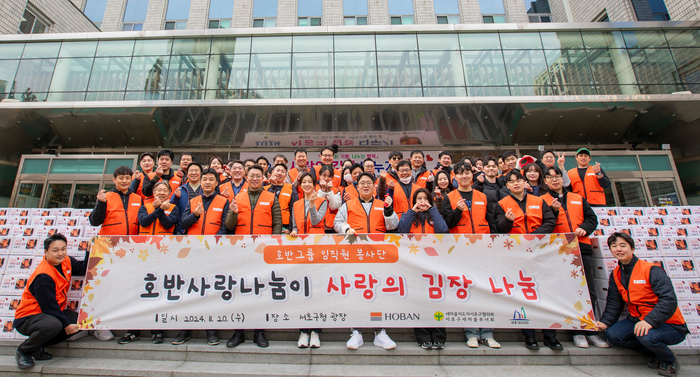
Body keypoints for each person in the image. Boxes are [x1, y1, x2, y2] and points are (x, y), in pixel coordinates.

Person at [596, 233, 688, 377]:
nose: (618, 249)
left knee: (646, 336)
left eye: (622, 245)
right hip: (636, 319)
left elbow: (669, 300)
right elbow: (615, 302)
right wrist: (605, 323)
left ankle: (669, 360)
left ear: (632, 249)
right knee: (613, 335)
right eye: (614, 246)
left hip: (669, 324)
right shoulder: (616, 274)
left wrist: (649, 321)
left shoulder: (652, 270)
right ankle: (655, 353)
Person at [541, 166, 608, 349]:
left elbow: (592, 219)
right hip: (559, 250)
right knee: (568, 291)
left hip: (582, 247)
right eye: (550, 177)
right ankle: (577, 331)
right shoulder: (542, 201)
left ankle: (591, 330)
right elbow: (542, 225)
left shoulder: (578, 197)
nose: (554, 180)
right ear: (545, 181)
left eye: (557, 176)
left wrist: (585, 227)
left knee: (588, 291)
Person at [495, 170, 558, 350]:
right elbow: (499, 228)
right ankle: (529, 335)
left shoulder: (539, 201)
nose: (516, 184)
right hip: (517, 254)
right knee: (523, 294)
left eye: (518, 180)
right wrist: (507, 221)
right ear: (506, 186)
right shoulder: (502, 204)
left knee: (544, 293)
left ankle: (550, 335)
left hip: (540, 252)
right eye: (511, 181)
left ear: (525, 182)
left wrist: (533, 237)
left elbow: (550, 222)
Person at [335, 173, 398, 350]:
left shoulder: (382, 204)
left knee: (379, 292)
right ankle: (357, 331)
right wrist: (345, 227)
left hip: (379, 256)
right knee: (356, 292)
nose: (365, 186)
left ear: (374, 187)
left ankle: (380, 332)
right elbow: (337, 223)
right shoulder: (348, 205)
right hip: (356, 255)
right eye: (362, 183)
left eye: (368, 183)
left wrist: (388, 211)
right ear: (357, 186)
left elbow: (393, 225)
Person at [441, 163, 500, 349]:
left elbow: (492, 222)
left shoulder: (483, 196)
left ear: (472, 175)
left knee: (485, 291)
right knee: (467, 291)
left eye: (467, 173)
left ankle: (488, 333)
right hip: (461, 250)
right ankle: (472, 333)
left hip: (483, 249)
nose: (464, 176)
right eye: (460, 173)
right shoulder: (448, 197)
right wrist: (458, 210)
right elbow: (447, 225)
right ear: (455, 177)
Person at [225, 164, 282, 348]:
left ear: (263, 178)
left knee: (261, 291)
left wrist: (272, 249)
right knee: (240, 291)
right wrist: (233, 213)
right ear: (246, 177)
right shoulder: (238, 197)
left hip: (263, 252)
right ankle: (238, 332)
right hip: (241, 251)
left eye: (258, 175)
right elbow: (229, 226)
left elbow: (277, 225)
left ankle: (259, 332)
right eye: (252, 175)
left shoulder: (271, 197)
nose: (255, 178)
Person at [13, 234, 89, 370]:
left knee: (82, 321)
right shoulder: (43, 276)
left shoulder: (66, 260)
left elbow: (83, 269)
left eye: (63, 249)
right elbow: (49, 307)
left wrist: (89, 251)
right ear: (46, 252)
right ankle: (24, 351)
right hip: (29, 317)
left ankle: (38, 346)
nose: (60, 253)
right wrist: (66, 325)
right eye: (55, 250)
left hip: (51, 313)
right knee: (54, 325)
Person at [119, 181, 179, 345]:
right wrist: (159, 209)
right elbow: (144, 222)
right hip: (143, 254)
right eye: (158, 190)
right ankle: (133, 330)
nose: (161, 193)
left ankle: (157, 332)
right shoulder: (145, 206)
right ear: (153, 192)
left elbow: (168, 224)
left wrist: (161, 210)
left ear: (169, 193)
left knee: (158, 292)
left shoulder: (174, 208)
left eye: (164, 190)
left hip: (163, 254)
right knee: (138, 292)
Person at [177, 168, 229, 346]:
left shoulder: (224, 201)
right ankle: (185, 329)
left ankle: (211, 330)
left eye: (211, 180)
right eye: (204, 179)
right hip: (193, 253)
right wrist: (195, 215)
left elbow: (226, 227)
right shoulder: (193, 201)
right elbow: (183, 224)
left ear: (216, 183)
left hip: (214, 253)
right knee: (191, 290)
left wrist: (213, 244)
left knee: (211, 291)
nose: (207, 182)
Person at [397, 189, 449, 350]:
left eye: (425, 198)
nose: (422, 201)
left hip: (435, 264)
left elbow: (443, 230)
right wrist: (413, 211)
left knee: (437, 300)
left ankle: (439, 336)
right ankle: (423, 337)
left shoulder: (434, 215)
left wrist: (432, 210)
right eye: (419, 198)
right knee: (418, 301)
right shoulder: (409, 215)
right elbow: (401, 230)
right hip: (415, 265)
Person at [290, 172, 328, 348]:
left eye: (309, 182)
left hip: (317, 249)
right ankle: (303, 331)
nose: (306, 184)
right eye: (303, 182)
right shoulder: (296, 204)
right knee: (302, 291)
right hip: (299, 250)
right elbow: (294, 225)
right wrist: (293, 231)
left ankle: (315, 332)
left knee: (316, 290)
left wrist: (312, 203)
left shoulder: (323, 201)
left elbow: (315, 221)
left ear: (315, 184)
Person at [265, 163, 298, 234]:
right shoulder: (265, 188)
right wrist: (272, 185)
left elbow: (294, 208)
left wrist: (290, 228)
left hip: (285, 226)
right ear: (273, 172)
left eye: (282, 172)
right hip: (267, 224)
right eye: (278, 170)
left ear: (285, 176)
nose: (279, 173)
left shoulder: (290, 188)